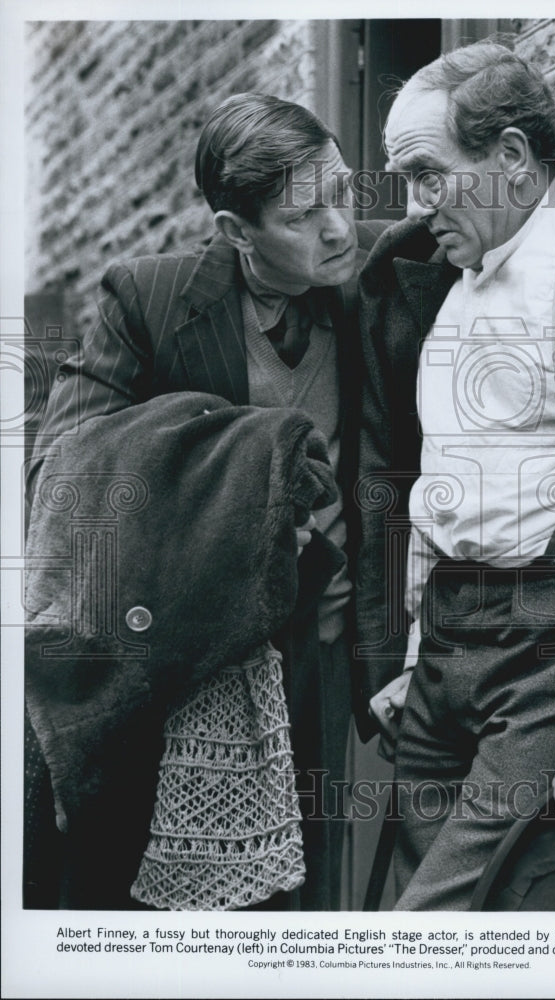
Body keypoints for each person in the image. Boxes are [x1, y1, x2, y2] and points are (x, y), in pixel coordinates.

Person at [24, 93, 387, 911]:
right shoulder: (149, 300)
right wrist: (229, 478)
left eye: (343, 190)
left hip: (319, 643)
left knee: (305, 889)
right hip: (190, 656)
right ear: (234, 231)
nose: (338, 227)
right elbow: (64, 467)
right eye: (304, 214)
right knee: (188, 896)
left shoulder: (379, 278)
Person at [356, 41, 555, 910]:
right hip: (446, 641)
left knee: (435, 921)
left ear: (513, 159)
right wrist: (417, 649)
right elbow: (427, 482)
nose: (414, 205)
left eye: (426, 174)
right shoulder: (430, 281)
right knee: (400, 904)